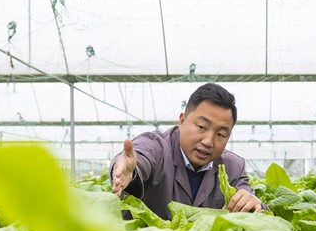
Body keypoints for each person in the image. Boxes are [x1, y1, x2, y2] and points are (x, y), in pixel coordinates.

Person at [111, 83, 264, 218]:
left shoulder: (233, 167)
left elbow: (258, 211)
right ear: (182, 121)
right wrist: (129, 171)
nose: (208, 141)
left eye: (221, 134)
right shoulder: (157, 147)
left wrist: (253, 204)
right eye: (201, 127)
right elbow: (140, 156)